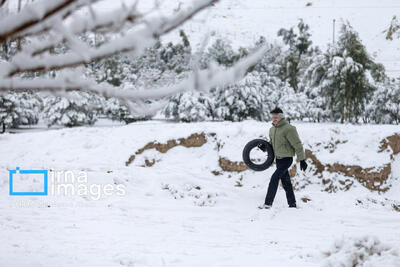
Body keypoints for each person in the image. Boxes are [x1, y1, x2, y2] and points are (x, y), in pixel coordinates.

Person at [259, 107, 307, 209]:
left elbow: (297, 144)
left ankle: (268, 204)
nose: (274, 119)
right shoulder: (272, 130)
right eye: (273, 117)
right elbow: (272, 144)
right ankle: (292, 204)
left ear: (281, 117)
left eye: (276, 117)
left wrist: (302, 159)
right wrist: (264, 147)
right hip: (278, 160)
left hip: (287, 159)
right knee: (286, 183)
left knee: (274, 178)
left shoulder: (289, 129)